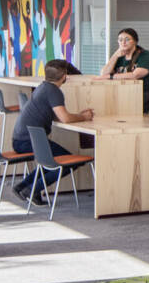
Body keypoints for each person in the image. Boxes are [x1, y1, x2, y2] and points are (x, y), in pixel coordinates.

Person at [12, 59, 92, 206]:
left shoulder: (43, 87)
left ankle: (22, 186)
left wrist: (77, 116)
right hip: (27, 141)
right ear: (65, 75)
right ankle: (32, 189)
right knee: (67, 162)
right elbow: (65, 118)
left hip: (22, 138)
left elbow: (58, 115)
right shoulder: (54, 92)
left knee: (51, 160)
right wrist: (84, 117)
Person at [98, 27, 149, 113]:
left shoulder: (146, 55)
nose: (123, 42)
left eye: (127, 39)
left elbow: (135, 75)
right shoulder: (120, 57)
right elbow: (104, 73)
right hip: (129, 92)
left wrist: (110, 77)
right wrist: (115, 55)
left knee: (125, 105)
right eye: (120, 40)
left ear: (135, 41)